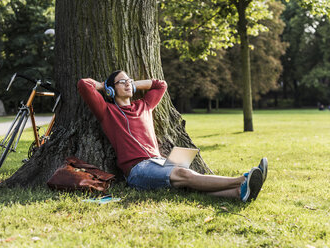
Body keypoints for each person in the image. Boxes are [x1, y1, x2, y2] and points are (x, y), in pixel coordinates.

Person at [77, 70, 268, 202]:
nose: (128, 84)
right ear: (111, 90)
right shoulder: (107, 111)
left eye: (130, 80)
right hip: (138, 170)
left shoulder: (144, 105)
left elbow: (161, 85)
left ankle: (238, 193)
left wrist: (134, 84)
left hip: (158, 161)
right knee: (184, 174)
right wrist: (104, 85)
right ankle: (243, 180)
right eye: (122, 82)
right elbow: (84, 85)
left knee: (187, 180)